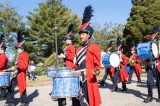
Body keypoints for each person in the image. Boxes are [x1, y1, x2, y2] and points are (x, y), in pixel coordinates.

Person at [72, 5, 101, 106]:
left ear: (88, 35)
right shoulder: (78, 49)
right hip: (78, 78)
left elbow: (97, 64)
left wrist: (97, 70)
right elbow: (76, 63)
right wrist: (73, 69)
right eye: (80, 34)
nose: (81, 36)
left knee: (91, 101)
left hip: (88, 78)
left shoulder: (94, 47)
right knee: (75, 100)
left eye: (83, 34)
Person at [5, 33, 29, 106]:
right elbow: (18, 65)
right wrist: (13, 67)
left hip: (21, 74)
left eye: (18, 48)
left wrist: (16, 67)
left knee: (22, 88)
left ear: (22, 49)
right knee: (10, 86)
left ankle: (24, 102)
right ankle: (10, 102)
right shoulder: (20, 55)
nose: (17, 50)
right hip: (17, 74)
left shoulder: (24, 55)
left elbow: (24, 66)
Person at [57, 24, 76, 106]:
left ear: (70, 40)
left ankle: (74, 101)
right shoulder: (66, 47)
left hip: (70, 67)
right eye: (66, 39)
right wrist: (61, 56)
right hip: (66, 66)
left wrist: (64, 56)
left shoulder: (72, 47)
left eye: (67, 39)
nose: (66, 40)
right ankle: (64, 101)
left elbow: (72, 57)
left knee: (70, 86)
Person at [144, 32, 160, 103]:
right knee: (149, 82)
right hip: (149, 66)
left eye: (153, 39)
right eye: (151, 40)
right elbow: (145, 56)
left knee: (159, 82)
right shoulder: (148, 46)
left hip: (157, 65)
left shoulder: (158, 45)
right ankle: (150, 96)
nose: (151, 41)